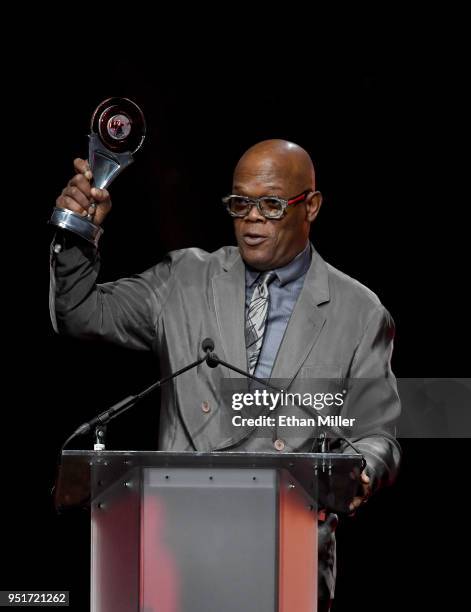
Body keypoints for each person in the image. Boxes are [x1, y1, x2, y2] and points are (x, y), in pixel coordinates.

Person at [50, 139, 401, 610]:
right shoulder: (184, 279)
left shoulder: (359, 312)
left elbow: (377, 433)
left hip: (286, 560)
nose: (251, 218)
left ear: (310, 206)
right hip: (176, 555)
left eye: (271, 204)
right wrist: (77, 231)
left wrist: (360, 470)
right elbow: (80, 311)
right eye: (240, 203)